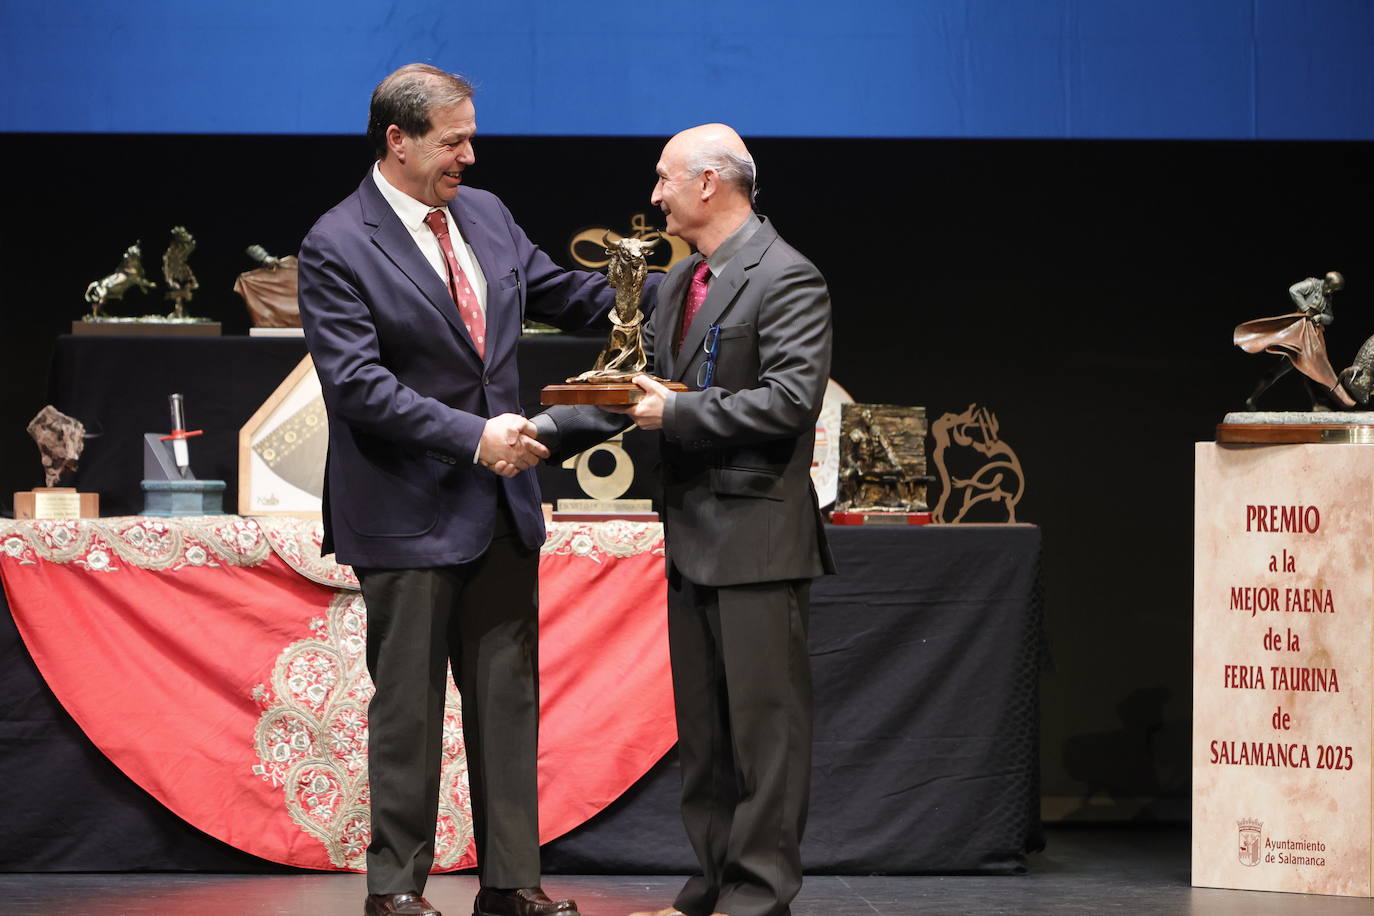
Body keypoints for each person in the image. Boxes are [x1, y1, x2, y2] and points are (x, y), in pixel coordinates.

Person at [298, 63, 643, 916]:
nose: (470, 156)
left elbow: (562, 290)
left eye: (471, 137)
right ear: (399, 140)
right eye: (454, 141)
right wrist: (474, 438)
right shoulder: (336, 243)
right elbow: (357, 388)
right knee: (408, 712)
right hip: (406, 509)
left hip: (498, 509)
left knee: (506, 702)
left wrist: (674, 301)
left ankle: (511, 885)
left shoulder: (483, 216)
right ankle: (395, 891)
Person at [535, 124, 835, 916]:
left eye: (665, 179)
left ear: (709, 183)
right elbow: (639, 388)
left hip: (759, 538)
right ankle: (707, 887)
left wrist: (683, 412)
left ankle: (758, 896)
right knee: (704, 739)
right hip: (692, 536)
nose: (654, 195)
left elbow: (790, 401)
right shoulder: (680, 282)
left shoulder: (788, 277)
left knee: (764, 738)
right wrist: (546, 436)